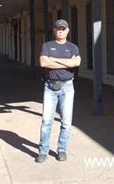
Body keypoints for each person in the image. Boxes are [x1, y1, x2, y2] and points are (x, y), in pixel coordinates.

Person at [35, 19, 81, 163]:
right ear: (54, 30)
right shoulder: (47, 45)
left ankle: (62, 150)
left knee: (66, 121)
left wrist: (53, 59)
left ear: (67, 31)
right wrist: (66, 62)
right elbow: (43, 62)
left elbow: (76, 63)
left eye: (63, 29)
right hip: (49, 87)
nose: (60, 31)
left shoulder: (73, 47)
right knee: (46, 121)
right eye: (58, 29)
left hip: (67, 87)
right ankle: (43, 151)